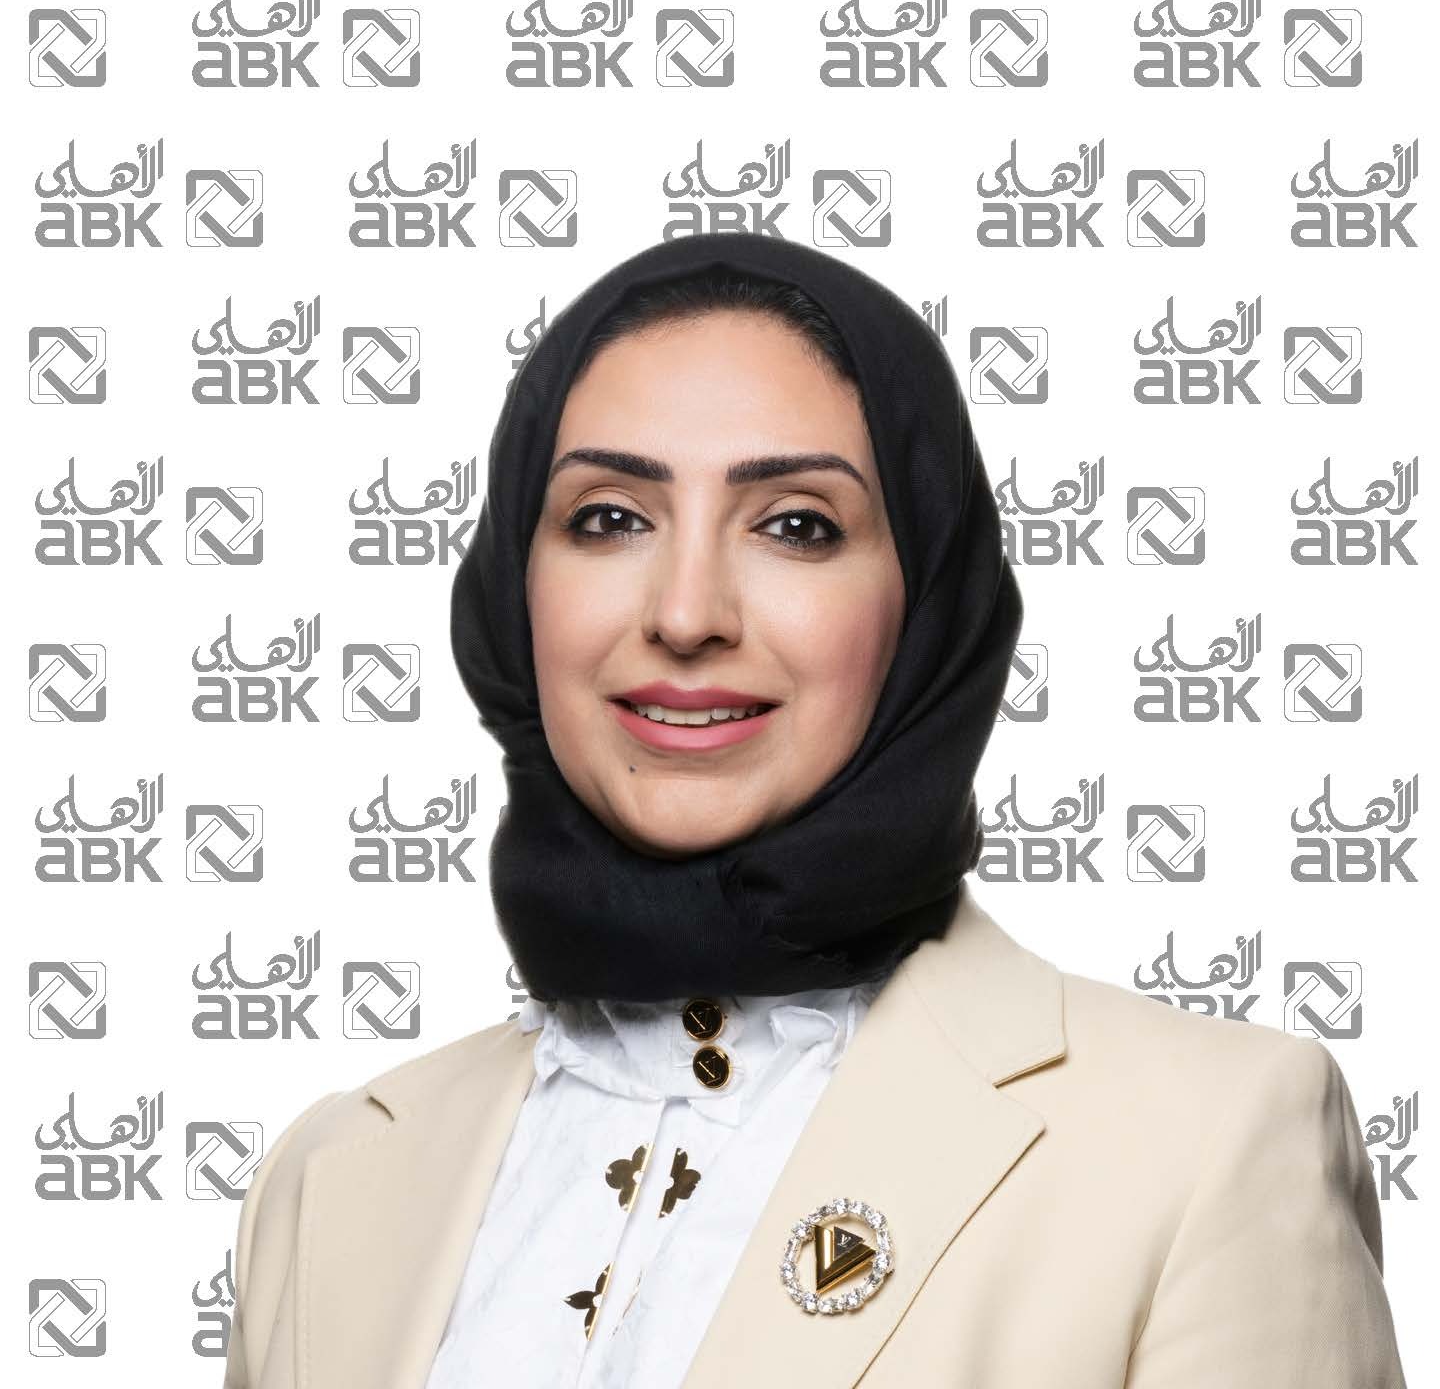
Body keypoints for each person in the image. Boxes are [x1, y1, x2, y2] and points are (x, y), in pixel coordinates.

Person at [222, 234, 1409, 1389]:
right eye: (609, 518)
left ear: (927, 602)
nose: (687, 614)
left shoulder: (1204, 1145)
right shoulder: (331, 1173)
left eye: (797, 525)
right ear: (509, 586)